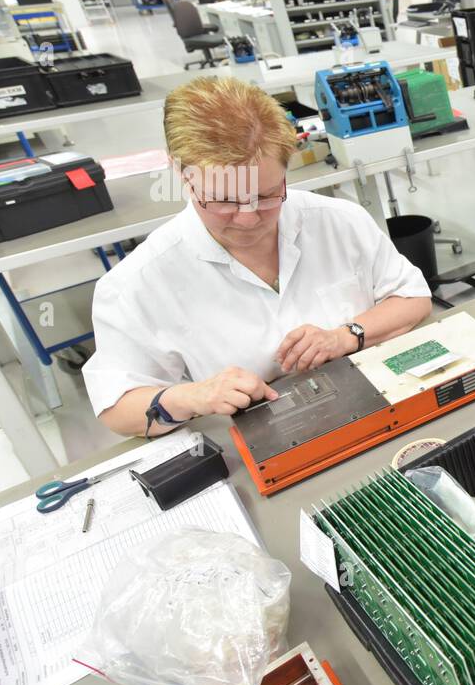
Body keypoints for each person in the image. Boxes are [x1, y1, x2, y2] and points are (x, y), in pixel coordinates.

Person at [84, 77, 432, 437]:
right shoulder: (138, 282)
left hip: (378, 414)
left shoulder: (338, 221)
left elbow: (413, 297)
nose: (249, 218)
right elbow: (117, 407)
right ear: (180, 173)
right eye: (223, 201)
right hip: (257, 448)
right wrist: (191, 396)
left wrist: (345, 336)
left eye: (267, 194)